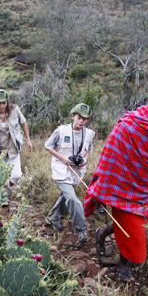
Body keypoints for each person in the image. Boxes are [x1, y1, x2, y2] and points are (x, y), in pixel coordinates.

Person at [86, 88, 148, 282]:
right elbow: (109, 157)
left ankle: (102, 233)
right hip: (123, 187)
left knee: (131, 223)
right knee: (134, 230)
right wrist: (101, 190)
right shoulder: (130, 126)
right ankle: (123, 265)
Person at [44, 103, 95, 244]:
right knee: (72, 199)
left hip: (77, 171)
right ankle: (81, 229)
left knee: (66, 195)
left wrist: (85, 159)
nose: (81, 121)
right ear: (73, 116)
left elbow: (88, 149)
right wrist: (62, 158)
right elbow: (47, 145)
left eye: (85, 119)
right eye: (79, 118)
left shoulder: (90, 133)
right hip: (61, 169)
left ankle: (53, 217)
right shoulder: (61, 131)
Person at [0, 89, 33, 203]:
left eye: (4, 103)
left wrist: (28, 140)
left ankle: (9, 188)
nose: (2, 106)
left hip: (13, 148)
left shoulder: (15, 110)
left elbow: (23, 123)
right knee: (1, 176)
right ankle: (3, 197)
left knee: (16, 175)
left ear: (7, 101)